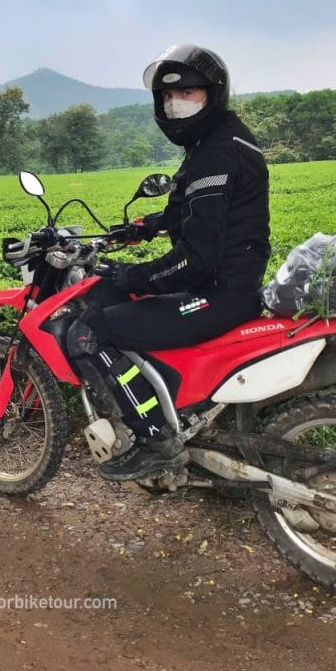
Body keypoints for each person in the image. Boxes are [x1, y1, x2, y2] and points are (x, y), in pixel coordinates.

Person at [66, 44, 270, 481]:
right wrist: (144, 226)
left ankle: (156, 441)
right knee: (122, 303)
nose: (176, 104)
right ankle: (179, 406)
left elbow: (196, 261)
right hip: (232, 286)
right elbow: (201, 211)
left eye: (189, 93)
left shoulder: (214, 155)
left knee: (89, 331)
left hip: (217, 294)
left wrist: (132, 273)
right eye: (167, 97)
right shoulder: (218, 143)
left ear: (213, 94)